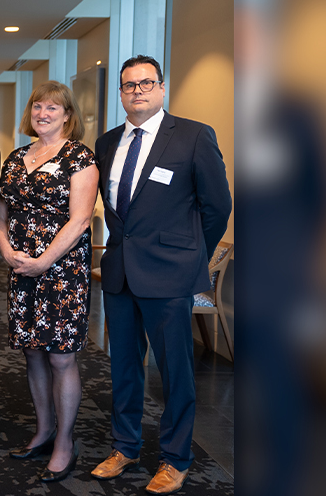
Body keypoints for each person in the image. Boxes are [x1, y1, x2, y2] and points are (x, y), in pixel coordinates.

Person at [90, 55, 231, 495]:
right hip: (120, 275)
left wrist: (191, 258)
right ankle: (125, 446)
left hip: (171, 277)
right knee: (125, 370)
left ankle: (176, 458)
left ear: (162, 88)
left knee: (175, 372)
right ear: (121, 93)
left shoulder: (192, 136)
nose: (138, 91)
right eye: (129, 85)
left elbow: (217, 207)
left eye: (146, 83)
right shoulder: (107, 142)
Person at [0, 81, 98, 483]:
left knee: (60, 356)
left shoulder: (79, 157)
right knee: (32, 353)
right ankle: (43, 429)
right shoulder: (16, 157)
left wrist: (43, 261)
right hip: (21, 268)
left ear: (68, 115)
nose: (44, 113)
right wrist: (5, 250)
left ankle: (65, 443)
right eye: (38, 106)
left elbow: (80, 219)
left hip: (62, 271)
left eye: (54, 108)